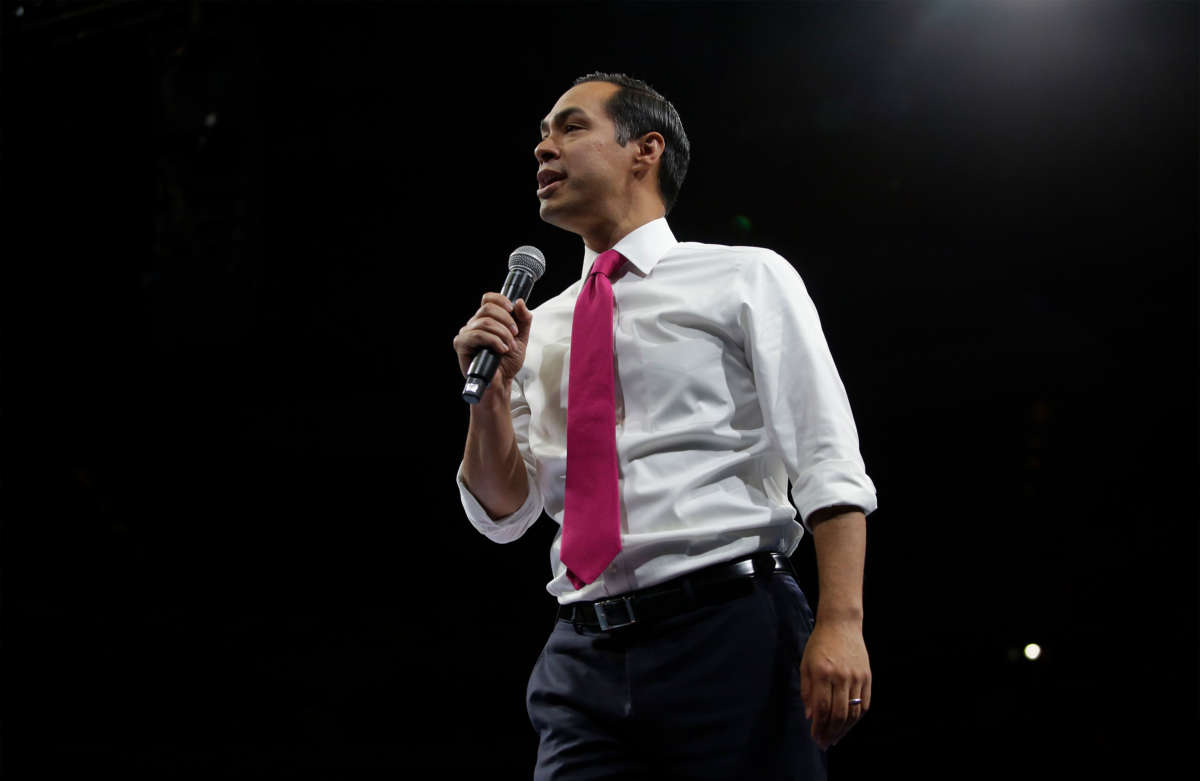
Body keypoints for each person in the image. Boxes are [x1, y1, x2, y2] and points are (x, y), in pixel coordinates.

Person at [452, 72, 877, 780]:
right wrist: (490, 396)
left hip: (730, 629)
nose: (542, 147)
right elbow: (503, 512)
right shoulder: (540, 326)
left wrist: (843, 621)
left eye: (569, 127)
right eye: (541, 133)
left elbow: (827, 457)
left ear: (644, 149)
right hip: (580, 654)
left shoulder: (746, 277)